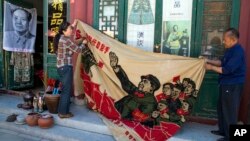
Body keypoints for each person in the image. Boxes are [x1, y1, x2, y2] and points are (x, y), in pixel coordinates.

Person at [205, 28, 246, 141]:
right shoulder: (230, 49)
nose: (223, 42)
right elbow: (222, 62)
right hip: (225, 84)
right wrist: (207, 61)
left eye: (225, 40)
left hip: (233, 85)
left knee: (229, 111)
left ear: (233, 40)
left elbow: (227, 69)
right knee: (222, 108)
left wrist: (211, 68)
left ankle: (230, 137)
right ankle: (223, 130)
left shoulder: (238, 51)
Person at [109, 51, 160, 123]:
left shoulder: (151, 103)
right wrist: (115, 67)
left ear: (152, 88)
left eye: (145, 82)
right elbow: (125, 81)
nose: (141, 82)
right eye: (142, 80)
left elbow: (139, 119)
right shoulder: (136, 91)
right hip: (113, 114)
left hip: (124, 124)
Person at [54, 21, 86, 118]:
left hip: (62, 67)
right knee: (66, 91)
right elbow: (78, 50)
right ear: (64, 31)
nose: (71, 31)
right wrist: (84, 43)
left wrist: (73, 25)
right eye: (70, 29)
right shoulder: (65, 39)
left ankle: (62, 111)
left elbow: (73, 43)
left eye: (71, 29)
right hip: (66, 67)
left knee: (65, 90)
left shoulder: (62, 37)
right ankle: (63, 113)